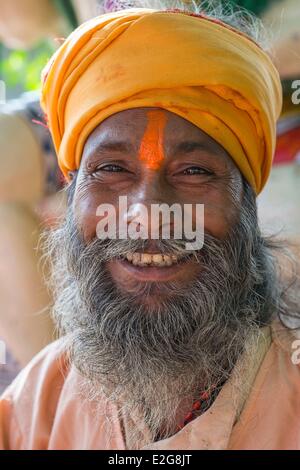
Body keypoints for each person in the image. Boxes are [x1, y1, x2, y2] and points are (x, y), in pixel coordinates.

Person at [1, 2, 300, 450]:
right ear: (70, 197)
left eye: (194, 171)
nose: (147, 212)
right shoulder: (36, 406)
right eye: (111, 169)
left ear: (247, 205)